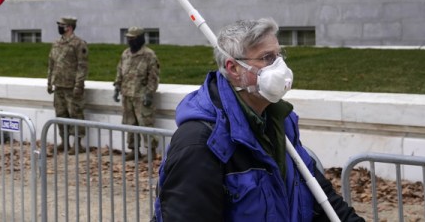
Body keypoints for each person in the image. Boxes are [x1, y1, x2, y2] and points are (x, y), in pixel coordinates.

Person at [152, 18, 364, 221]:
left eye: (280, 55)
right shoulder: (201, 143)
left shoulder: (280, 123)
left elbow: (321, 199)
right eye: (267, 58)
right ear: (233, 68)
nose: (280, 66)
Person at [113, 26, 160, 161]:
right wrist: (117, 87)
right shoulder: (126, 54)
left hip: (141, 95)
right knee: (130, 123)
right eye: (128, 38)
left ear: (140, 39)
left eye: (132, 39)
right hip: (127, 94)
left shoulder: (149, 55)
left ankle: (151, 151)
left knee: (145, 123)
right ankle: (134, 150)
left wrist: (149, 93)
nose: (130, 41)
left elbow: (153, 76)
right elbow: (120, 71)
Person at [47, 16, 89, 154]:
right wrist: (49, 82)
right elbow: (51, 64)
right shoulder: (56, 43)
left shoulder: (78, 44)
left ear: (69, 27)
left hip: (72, 87)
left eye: (61, 25)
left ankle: (77, 144)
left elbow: (82, 66)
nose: (59, 27)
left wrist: (79, 85)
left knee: (75, 115)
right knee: (61, 115)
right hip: (59, 85)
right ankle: (64, 142)